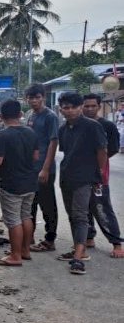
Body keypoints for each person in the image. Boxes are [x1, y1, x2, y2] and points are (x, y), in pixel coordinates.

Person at [0, 99, 39, 266]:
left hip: (11, 184)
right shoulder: (31, 133)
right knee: (26, 216)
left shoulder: (3, 136)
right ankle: (25, 250)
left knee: (13, 220)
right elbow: (35, 157)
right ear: (20, 114)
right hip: (30, 182)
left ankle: (15, 255)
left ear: (0, 116)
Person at [56, 92, 108, 275]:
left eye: (73, 107)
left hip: (85, 178)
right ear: (60, 109)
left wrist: (100, 175)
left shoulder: (92, 126)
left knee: (80, 216)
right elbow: (66, 151)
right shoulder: (63, 129)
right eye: (65, 107)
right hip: (66, 177)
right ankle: (80, 249)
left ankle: (78, 258)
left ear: (80, 108)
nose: (69, 111)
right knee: (72, 215)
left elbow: (102, 151)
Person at [82, 94, 124, 258]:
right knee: (84, 208)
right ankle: (89, 237)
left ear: (99, 106)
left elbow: (112, 148)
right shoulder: (79, 125)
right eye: (87, 106)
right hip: (80, 174)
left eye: (93, 106)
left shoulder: (107, 125)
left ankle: (116, 243)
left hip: (99, 175)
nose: (90, 109)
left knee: (102, 208)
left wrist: (98, 163)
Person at [24, 84, 60, 253]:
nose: (34, 101)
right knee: (30, 203)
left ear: (43, 98)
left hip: (45, 169)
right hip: (30, 169)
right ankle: (28, 236)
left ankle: (49, 239)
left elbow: (53, 142)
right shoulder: (29, 115)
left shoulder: (50, 116)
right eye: (31, 98)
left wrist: (45, 169)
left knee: (47, 204)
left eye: (37, 97)